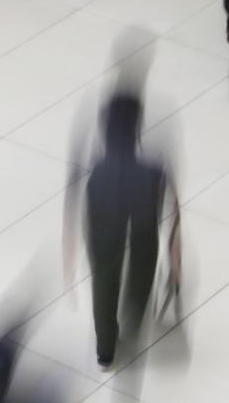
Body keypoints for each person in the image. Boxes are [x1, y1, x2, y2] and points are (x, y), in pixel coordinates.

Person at [63, 83, 178, 369]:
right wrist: (176, 265)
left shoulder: (96, 171)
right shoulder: (155, 169)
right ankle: (134, 320)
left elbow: (72, 210)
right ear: (137, 126)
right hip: (142, 203)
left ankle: (105, 346)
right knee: (143, 262)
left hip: (103, 209)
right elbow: (173, 222)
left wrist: (69, 264)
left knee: (103, 277)